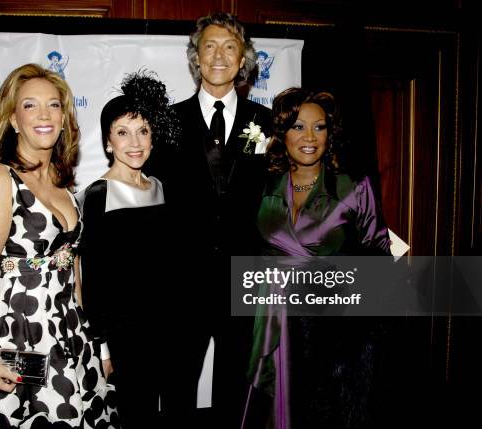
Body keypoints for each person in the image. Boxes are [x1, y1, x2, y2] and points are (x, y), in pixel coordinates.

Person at [0, 63, 118, 428]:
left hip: (68, 334)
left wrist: (98, 345)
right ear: (14, 120)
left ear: (64, 118)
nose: (44, 115)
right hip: (15, 336)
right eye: (30, 105)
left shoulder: (63, 184)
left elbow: (73, 272)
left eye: (53, 105)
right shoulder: (0, 181)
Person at [145, 11, 272, 427]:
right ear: (195, 58)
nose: (219, 55)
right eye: (209, 46)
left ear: (243, 60)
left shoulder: (266, 123)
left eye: (230, 47)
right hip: (182, 279)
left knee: (237, 387)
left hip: (245, 276)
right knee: (177, 387)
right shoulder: (166, 123)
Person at [243, 87, 391, 429]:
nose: (309, 136)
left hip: (326, 331)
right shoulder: (262, 186)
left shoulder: (354, 188)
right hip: (267, 323)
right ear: (283, 132)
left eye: (319, 127)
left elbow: (379, 258)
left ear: (330, 133)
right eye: (298, 126)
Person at [76, 71, 180, 428]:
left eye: (143, 131)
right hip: (125, 335)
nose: (134, 142)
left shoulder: (161, 187)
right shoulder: (98, 195)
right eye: (122, 132)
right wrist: (101, 346)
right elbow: (94, 279)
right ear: (107, 143)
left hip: (166, 328)